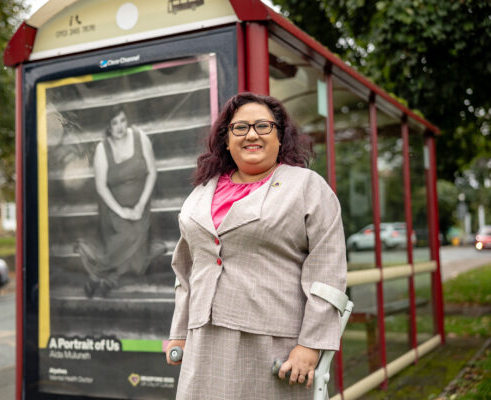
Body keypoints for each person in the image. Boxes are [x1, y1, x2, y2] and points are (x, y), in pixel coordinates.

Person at [165, 93, 347, 399]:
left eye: (263, 126)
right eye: (240, 128)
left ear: (280, 137)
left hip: (275, 346)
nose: (251, 134)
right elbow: (185, 272)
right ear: (225, 140)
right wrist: (179, 334)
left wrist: (311, 345)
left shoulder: (307, 186)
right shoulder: (200, 193)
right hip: (203, 342)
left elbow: (327, 272)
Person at [75, 105, 162, 296]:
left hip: (140, 203)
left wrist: (140, 205)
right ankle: (109, 279)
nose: (120, 126)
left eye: (122, 120)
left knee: (136, 243)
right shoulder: (102, 148)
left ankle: (102, 277)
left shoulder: (141, 138)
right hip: (113, 207)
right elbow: (101, 187)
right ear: (108, 127)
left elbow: (152, 172)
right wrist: (121, 211)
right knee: (130, 235)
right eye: (115, 123)